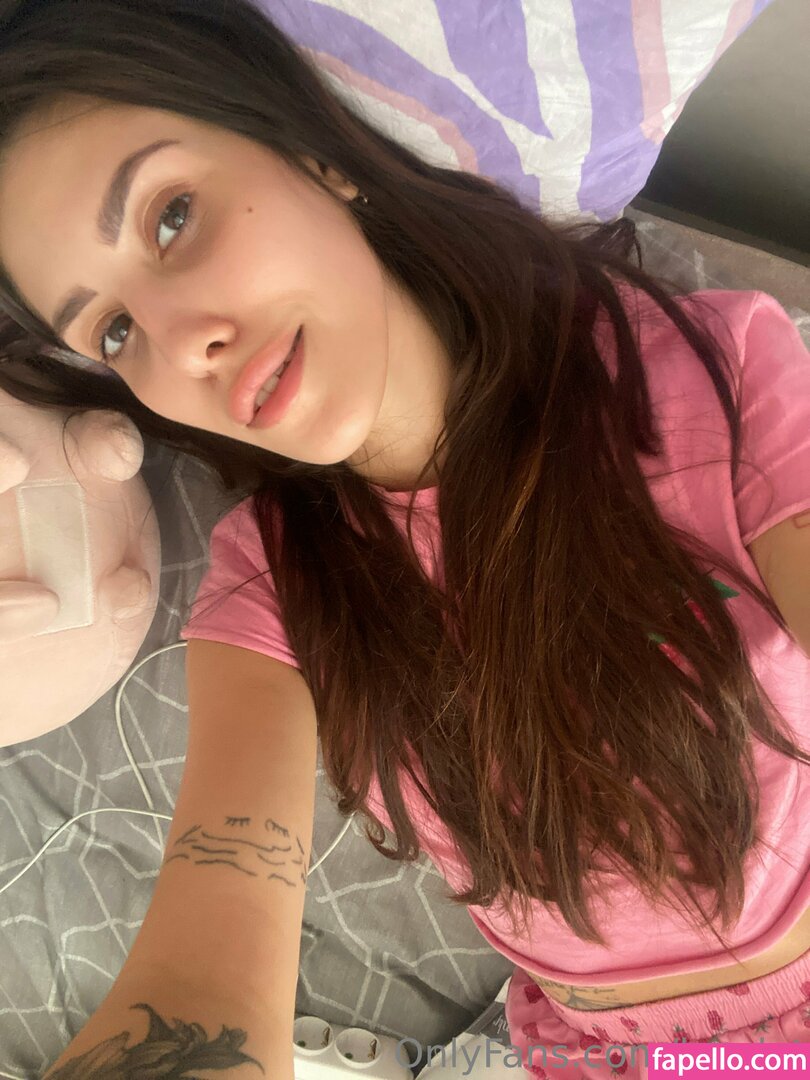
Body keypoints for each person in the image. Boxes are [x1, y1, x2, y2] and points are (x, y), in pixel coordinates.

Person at [1, 1, 809, 1077]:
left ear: (315, 156)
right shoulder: (271, 589)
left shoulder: (717, 379)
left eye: (171, 217)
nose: (184, 345)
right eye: (113, 331)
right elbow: (204, 963)